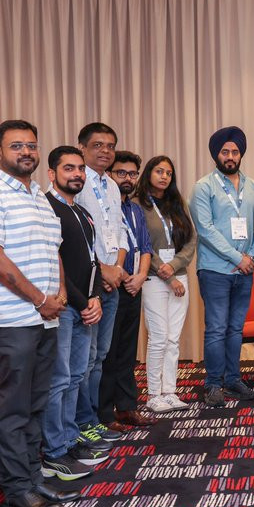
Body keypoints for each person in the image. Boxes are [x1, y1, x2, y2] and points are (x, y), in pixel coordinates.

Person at [0, 120, 77, 507]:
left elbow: (53, 250)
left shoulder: (39, 198)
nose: (26, 152)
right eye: (16, 146)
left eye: (31, 145)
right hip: (11, 320)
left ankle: (33, 478)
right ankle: (16, 487)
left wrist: (60, 293)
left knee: (36, 404)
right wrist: (40, 299)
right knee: (15, 408)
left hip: (45, 318)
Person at [42, 146, 107, 482]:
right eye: (68, 168)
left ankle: (70, 439)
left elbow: (91, 261)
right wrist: (83, 302)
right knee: (59, 379)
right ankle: (54, 451)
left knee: (76, 375)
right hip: (64, 307)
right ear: (52, 173)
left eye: (80, 168)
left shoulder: (80, 210)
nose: (77, 174)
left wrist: (94, 298)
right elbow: (57, 264)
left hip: (85, 305)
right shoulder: (47, 208)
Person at [190, 126, 254, 408]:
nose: (230, 156)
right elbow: (205, 229)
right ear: (216, 155)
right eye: (225, 152)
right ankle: (213, 384)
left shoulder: (252, 186)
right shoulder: (203, 186)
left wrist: (251, 257)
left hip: (245, 269)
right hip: (215, 270)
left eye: (235, 151)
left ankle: (233, 379)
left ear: (241, 154)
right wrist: (237, 258)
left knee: (235, 329)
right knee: (217, 328)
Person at [73, 122, 126, 454]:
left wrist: (117, 267)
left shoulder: (112, 186)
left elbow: (118, 231)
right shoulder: (77, 183)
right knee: (85, 359)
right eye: (97, 145)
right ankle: (82, 423)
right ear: (82, 148)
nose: (105, 151)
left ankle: (93, 420)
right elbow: (75, 238)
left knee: (100, 356)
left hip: (112, 281)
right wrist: (101, 270)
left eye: (110, 145)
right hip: (88, 284)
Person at [137, 155, 197, 413]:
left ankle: (170, 392)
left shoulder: (177, 203)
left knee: (173, 339)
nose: (164, 176)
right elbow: (142, 244)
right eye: (159, 171)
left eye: (168, 173)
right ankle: (153, 394)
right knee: (159, 337)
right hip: (154, 278)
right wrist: (168, 274)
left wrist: (175, 266)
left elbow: (191, 239)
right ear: (149, 173)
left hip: (179, 275)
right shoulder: (138, 204)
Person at [99, 151, 153, 429]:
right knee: (108, 353)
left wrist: (141, 276)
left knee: (127, 352)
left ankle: (127, 407)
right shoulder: (105, 208)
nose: (128, 178)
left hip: (134, 286)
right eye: (121, 173)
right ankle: (105, 413)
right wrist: (120, 275)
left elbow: (145, 247)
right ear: (109, 174)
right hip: (111, 285)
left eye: (132, 174)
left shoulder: (135, 210)